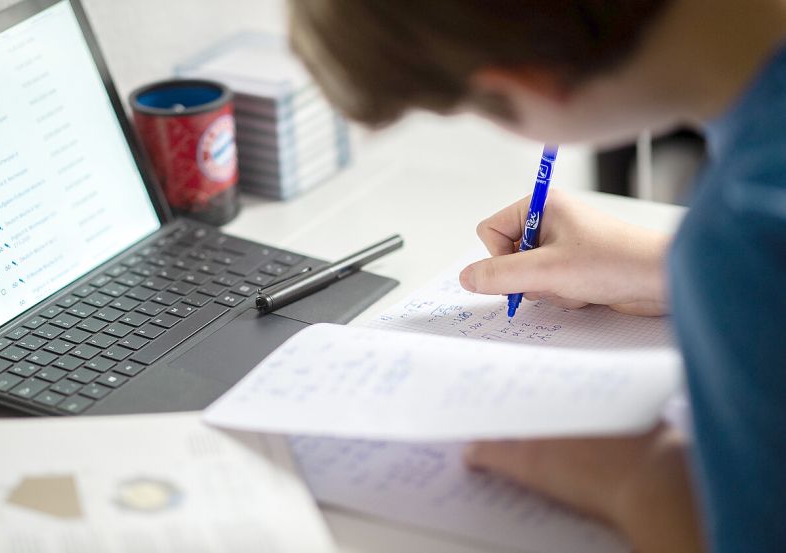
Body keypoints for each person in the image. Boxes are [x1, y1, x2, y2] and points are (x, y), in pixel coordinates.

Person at [286, 1, 786, 552]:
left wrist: (638, 476)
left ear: (532, 83)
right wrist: (660, 270)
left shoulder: (745, 227)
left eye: (487, 111)